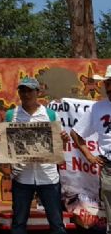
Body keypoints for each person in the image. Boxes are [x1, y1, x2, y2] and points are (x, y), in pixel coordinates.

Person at [0, 77, 67, 234]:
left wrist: (64, 140)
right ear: (19, 93)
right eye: (22, 90)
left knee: (57, 223)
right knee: (19, 223)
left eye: (29, 90)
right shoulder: (10, 115)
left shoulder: (51, 115)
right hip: (22, 177)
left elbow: (59, 147)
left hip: (48, 176)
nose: (26, 94)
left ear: (38, 92)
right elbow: (5, 148)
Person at [71, 64, 111, 234]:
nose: (109, 88)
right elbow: (76, 133)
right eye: (107, 84)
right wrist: (89, 156)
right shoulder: (97, 108)